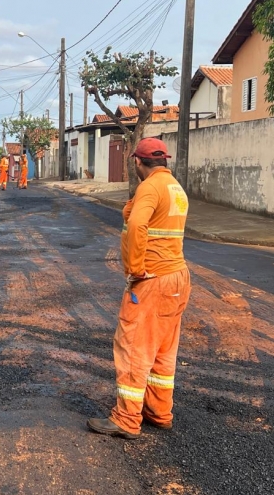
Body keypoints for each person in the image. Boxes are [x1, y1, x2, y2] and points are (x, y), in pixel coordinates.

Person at [87, 137, 191, 439]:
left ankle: (126, 419)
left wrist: (134, 268)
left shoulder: (150, 188)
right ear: (164, 160)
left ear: (136, 162)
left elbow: (137, 226)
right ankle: (159, 412)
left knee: (133, 346)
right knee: (163, 349)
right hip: (177, 278)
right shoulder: (176, 188)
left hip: (153, 280)